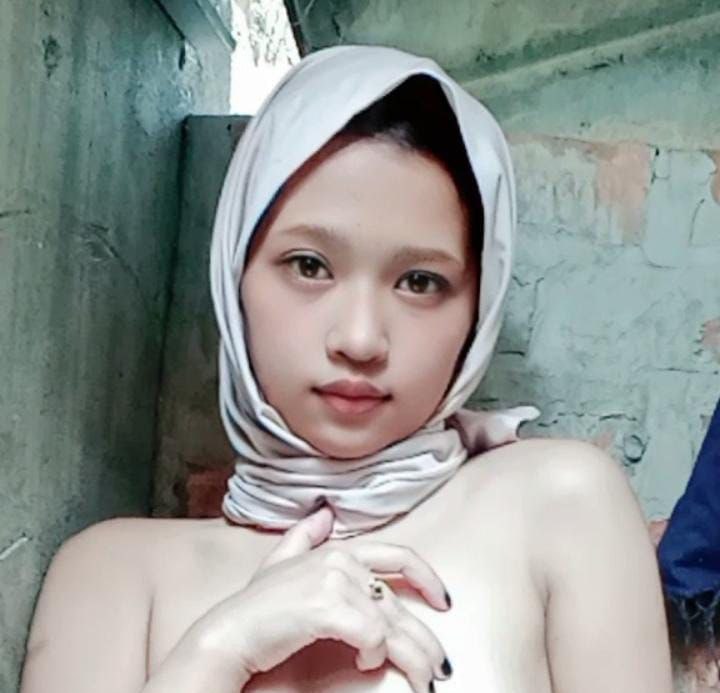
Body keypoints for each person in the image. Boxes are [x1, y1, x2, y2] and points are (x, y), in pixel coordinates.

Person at [20, 45, 673, 693]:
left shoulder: (564, 505)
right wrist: (221, 649)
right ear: (234, 272)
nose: (360, 339)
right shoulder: (112, 575)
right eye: (309, 266)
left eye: (420, 281)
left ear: (479, 306)